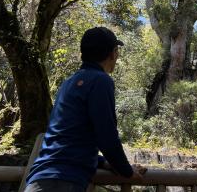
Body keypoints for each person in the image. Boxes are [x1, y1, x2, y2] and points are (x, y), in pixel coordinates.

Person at [25, 27, 145, 192]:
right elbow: (107, 135)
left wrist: (103, 162)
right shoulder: (101, 80)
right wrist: (127, 171)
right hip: (63, 182)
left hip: (40, 179)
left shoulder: (68, 83)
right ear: (113, 53)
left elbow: (67, 139)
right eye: (116, 51)